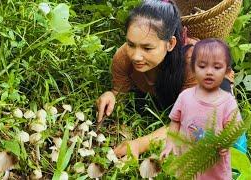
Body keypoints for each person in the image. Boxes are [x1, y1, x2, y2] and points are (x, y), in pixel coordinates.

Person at [95, 0, 237, 158]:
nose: (136, 56)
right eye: (131, 44)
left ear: (170, 44)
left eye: (147, 48)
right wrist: (112, 95)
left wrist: (139, 144)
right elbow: (120, 90)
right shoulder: (123, 58)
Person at [160, 38, 241, 179]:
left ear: (227, 71)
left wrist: (225, 143)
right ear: (193, 68)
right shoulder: (185, 97)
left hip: (214, 166)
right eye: (202, 66)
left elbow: (234, 129)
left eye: (217, 67)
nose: (209, 72)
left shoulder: (228, 102)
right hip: (187, 161)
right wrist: (169, 144)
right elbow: (175, 121)